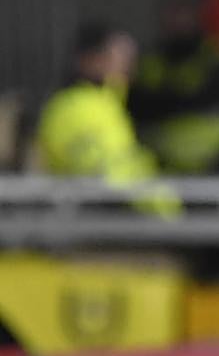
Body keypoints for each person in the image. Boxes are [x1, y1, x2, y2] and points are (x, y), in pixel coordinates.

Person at [36, 23, 178, 216]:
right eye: (118, 57)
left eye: (130, 58)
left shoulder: (107, 103)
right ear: (89, 60)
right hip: (102, 225)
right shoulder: (76, 107)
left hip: (133, 219)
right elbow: (102, 182)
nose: (128, 66)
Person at [127, 0, 219, 173]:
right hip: (161, 161)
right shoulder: (152, 58)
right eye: (173, 15)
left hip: (217, 159)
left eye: (184, 14)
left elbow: (214, 97)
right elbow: (138, 103)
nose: (178, 21)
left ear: (198, 17)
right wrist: (178, 99)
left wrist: (166, 100)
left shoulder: (215, 53)